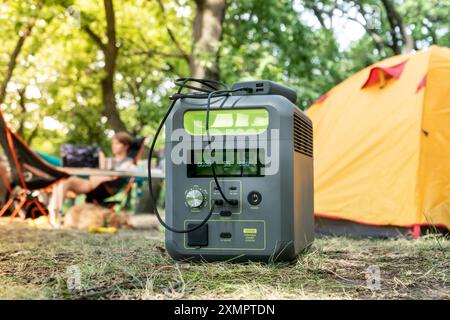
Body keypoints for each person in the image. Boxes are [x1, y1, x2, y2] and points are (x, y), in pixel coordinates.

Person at [61, 132, 135, 200]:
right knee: (64, 182)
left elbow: (114, 177)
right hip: (92, 183)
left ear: (126, 146)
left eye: (117, 144)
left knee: (67, 182)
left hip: (106, 188)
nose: (113, 146)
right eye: (113, 144)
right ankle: (55, 212)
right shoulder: (108, 160)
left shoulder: (128, 162)